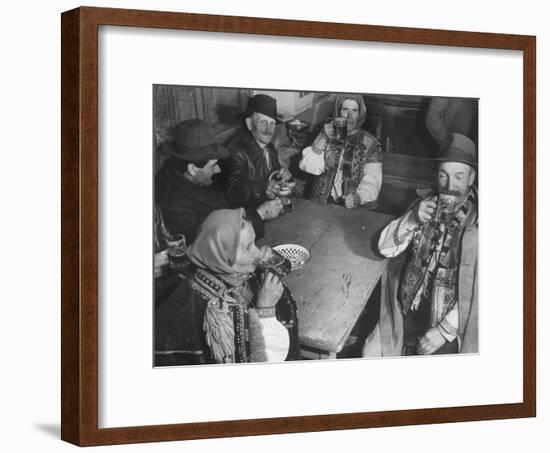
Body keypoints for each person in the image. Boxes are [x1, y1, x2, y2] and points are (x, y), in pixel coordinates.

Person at [365, 133, 478, 356]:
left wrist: (444, 331)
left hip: (452, 322)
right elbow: (384, 247)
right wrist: (412, 218)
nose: (450, 186)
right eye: (443, 175)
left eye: (459, 176)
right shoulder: (425, 203)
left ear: (471, 178)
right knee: (369, 353)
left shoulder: (479, 221)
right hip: (407, 309)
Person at [154, 208, 301, 365]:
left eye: (254, 242)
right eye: (248, 247)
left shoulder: (229, 273)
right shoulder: (216, 311)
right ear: (223, 256)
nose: (257, 252)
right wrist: (265, 310)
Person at [155, 118, 283, 244]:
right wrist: (259, 215)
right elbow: (209, 243)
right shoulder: (171, 199)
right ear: (193, 169)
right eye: (213, 165)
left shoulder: (196, 173)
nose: (218, 170)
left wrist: (263, 190)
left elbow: (232, 196)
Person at [299, 94, 383, 209]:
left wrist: (357, 198)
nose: (350, 116)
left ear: (360, 114)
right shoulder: (325, 134)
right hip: (321, 204)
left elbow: (373, 182)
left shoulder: (370, 144)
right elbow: (308, 166)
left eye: (354, 111)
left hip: (352, 208)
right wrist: (322, 137)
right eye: (345, 110)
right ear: (338, 112)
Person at [220, 94, 293, 209]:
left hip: (269, 210)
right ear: (249, 124)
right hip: (246, 217)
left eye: (272, 123)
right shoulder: (235, 150)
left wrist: (283, 178)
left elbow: (274, 177)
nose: (269, 130)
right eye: (263, 122)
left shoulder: (270, 148)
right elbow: (232, 191)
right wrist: (263, 189)